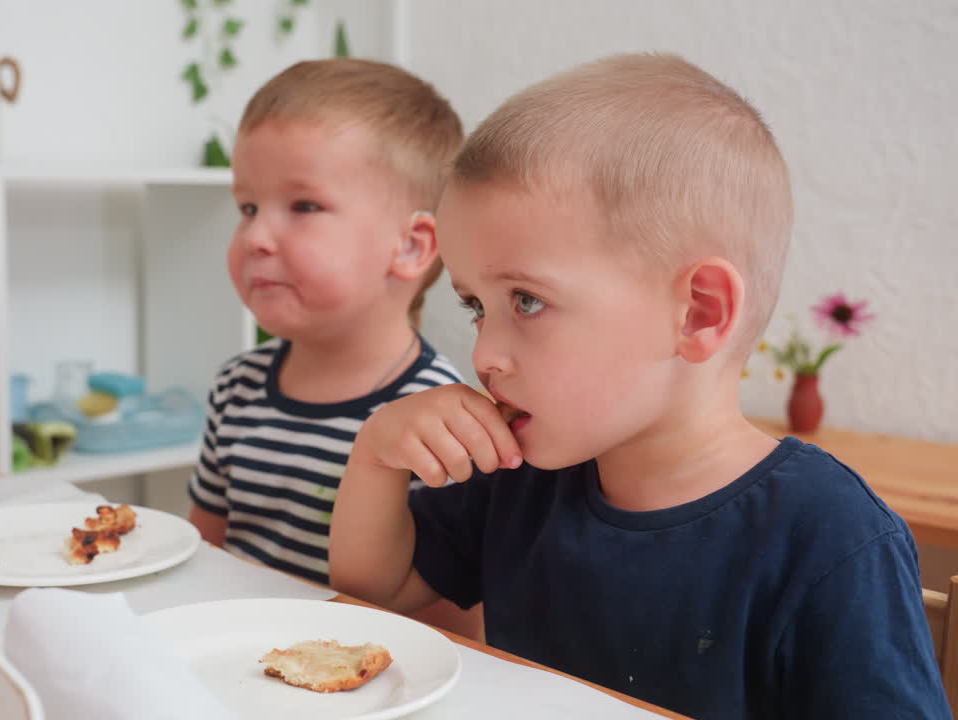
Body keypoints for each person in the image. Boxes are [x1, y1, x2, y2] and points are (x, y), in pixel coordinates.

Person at [329, 52, 948, 718]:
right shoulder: (522, 475)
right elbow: (376, 589)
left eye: (527, 301)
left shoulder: (828, 534)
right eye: (477, 306)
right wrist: (377, 455)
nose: (486, 355)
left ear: (698, 313)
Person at [187, 58, 480, 635]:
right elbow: (201, 561)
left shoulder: (439, 423)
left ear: (411, 246)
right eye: (247, 208)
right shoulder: (237, 385)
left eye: (303, 207)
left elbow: (456, 634)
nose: (255, 238)